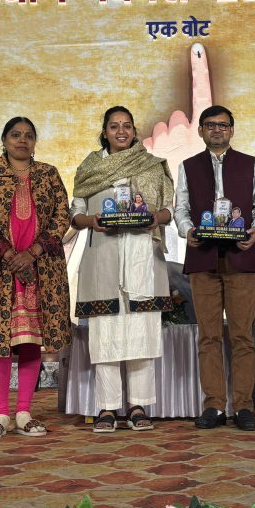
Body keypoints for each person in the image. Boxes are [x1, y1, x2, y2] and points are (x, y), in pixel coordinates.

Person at [70, 106, 174, 433]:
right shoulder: (90, 167)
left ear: (134, 131)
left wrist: (157, 218)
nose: (121, 131)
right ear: (104, 132)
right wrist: (91, 221)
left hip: (143, 254)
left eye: (127, 125)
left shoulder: (151, 165)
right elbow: (76, 212)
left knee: (142, 332)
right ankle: (107, 407)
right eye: (114, 126)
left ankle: (138, 406)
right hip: (103, 256)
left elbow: (168, 209)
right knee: (105, 334)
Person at [0, 116, 72, 439]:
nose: (22, 140)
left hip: (42, 270)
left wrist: (34, 252)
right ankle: (1, 413)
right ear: (4, 139)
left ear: (35, 142)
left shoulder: (48, 173)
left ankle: (24, 411)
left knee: (31, 340)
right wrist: (10, 255)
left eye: (29, 135)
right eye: (15, 134)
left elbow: (62, 215)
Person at [173, 105, 255, 431]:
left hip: (241, 258)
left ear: (231, 130)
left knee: (243, 336)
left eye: (223, 125)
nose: (217, 130)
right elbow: (180, 209)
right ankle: (214, 405)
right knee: (208, 336)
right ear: (200, 130)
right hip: (204, 258)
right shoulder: (188, 166)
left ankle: (243, 406)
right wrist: (187, 231)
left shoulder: (251, 164)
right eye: (210, 125)